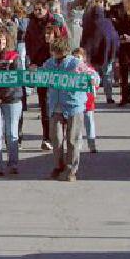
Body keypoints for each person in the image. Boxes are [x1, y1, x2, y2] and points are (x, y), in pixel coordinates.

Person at [41, 38, 87, 181]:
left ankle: (71, 169)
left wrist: (91, 79)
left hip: (74, 105)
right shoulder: (50, 63)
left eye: (57, 52)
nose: (54, 55)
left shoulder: (75, 63)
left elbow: (91, 75)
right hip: (56, 106)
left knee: (73, 139)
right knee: (56, 139)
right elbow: (40, 75)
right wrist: (34, 72)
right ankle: (58, 166)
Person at [0, 31, 23, 176]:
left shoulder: (14, 57)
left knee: (11, 133)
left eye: (2, 40)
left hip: (12, 99)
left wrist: (2, 96)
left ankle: (13, 163)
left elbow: (17, 78)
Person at [25, 2, 58, 150]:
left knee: (57, 108)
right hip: (41, 75)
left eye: (41, 9)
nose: (38, 11)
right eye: (35, 9)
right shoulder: (31, 25)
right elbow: (30, 48)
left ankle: (58, 136)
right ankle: (47, 137)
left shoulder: (55, 22)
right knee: (44, 106)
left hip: (57, 76)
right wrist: (32, 64)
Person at [80, 0, 120, 105]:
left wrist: (84, 51)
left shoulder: (88, 23)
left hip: (93, 55)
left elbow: (85, 39)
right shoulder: (107, 22)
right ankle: (109, 97)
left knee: (93, 76)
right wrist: (115, 51)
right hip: (107, 54)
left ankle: (92, 96)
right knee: (107, 76)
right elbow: (114, 38)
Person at [71, 47, 101, 153]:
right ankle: (78, 144)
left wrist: (94, 82)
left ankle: (91, 143)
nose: (77, 59)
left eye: (79, 57)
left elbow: (97, 80)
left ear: (84, 58)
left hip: (88, 101)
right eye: (74, 57)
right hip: (76, 101)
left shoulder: (89, 69)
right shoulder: (71, 69)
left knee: (89, 121)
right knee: (77, 124)